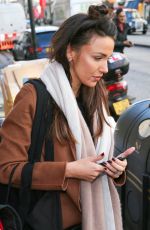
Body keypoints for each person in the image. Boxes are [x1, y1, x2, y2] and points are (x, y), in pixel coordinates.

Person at [0, 4, 135, 230]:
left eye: (107, 58)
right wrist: (68, 170)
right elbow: (6, 168)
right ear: (71, 51)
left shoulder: (97, 97)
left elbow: (98, 155)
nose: (104, 68)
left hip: (95, 218)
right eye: (97, 57)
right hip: (48, 221)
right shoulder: (34, 96)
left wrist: (116, 168)